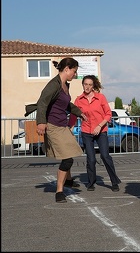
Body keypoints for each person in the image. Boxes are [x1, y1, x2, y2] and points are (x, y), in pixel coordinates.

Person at [32, 57, 87, 203]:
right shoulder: (53, 85)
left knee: (70, 152)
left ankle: (68, 181)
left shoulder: (64, 85)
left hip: (62, 125)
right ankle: (59, 191)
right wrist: (41, 122)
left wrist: (79, 112)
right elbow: (43, 102)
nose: (74, 75)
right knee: (67, 159)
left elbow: (66, 104)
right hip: (53, 126)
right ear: (67, 69)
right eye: (74, 72)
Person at [68, 75, 121, 192]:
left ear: (93, 86)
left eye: (90, 84)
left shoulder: (100, 98)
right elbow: (73, 115)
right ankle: (91, 182)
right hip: (86, 131)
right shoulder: (79, 100)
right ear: (82, 85)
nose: (87, 87)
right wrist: (70, 128)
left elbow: (108, 114)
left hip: (101, 131)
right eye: (85, 84)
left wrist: (99, 125)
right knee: (91, 159)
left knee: (105, 156)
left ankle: (114, 182)